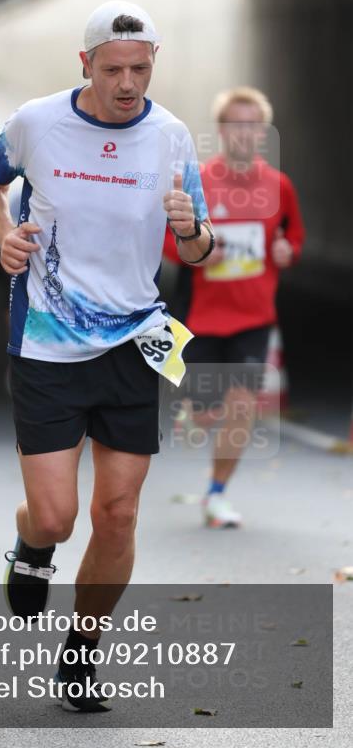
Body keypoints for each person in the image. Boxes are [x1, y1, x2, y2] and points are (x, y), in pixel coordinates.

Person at [0, 0, 215, 712]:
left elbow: (199, 249)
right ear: (85, 65)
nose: (127, 83)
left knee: (117, 515)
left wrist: (190, 228)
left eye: (139, 69)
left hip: (134, 343)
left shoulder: (170, 138)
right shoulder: (38, 123)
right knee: (56, 516)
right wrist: (1, 233)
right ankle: (32, 544)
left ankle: (80, 656)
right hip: (46, 343)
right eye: (112, 69)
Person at [163, 87, 305, 528]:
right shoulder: (199, 181)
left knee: (242, 408)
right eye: (235, 125)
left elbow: (293, 237)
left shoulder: (278, 186)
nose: (244, 134)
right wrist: (201, 250)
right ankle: (198, 411)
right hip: (203, 315)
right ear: (222, 131)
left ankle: (217, 493)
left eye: (252, 126)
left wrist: (287, 252)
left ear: (263, 132)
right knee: (207, 413)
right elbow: (168, 240)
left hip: (254, 316)